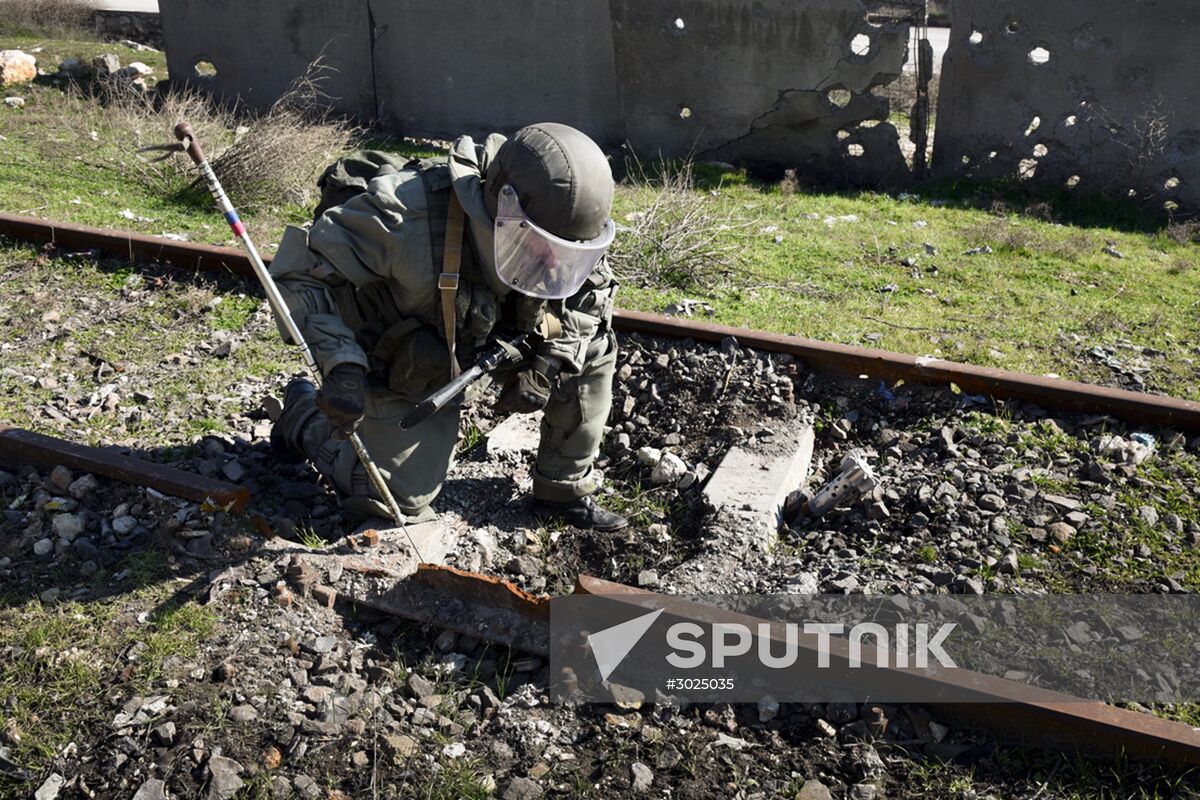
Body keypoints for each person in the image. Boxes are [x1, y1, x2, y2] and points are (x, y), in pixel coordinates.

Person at [267, 122, 629, 532]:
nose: (551, 262)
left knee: (593, 349)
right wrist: (342, 365)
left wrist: (547, 367)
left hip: (496, 338)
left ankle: (562, 489)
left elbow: (589, 300)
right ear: (504, 206)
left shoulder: (566, 226)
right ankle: (300, 415)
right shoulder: (404, 215)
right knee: (399, 498)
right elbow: (301, 275)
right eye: (539, 248)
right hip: (409, 359)